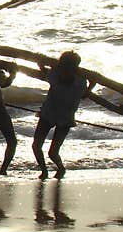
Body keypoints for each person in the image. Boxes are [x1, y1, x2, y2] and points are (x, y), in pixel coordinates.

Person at [33, 50, 94, 180]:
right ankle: (47, 170)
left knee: (50, 151)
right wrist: (91, 86)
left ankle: (58, 169)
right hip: (52, 115)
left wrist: (41, 65)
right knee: (39, 147)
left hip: (58, 117)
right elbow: (84, 94)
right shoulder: (79, 80)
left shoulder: (57, 75)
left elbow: (45, 72)